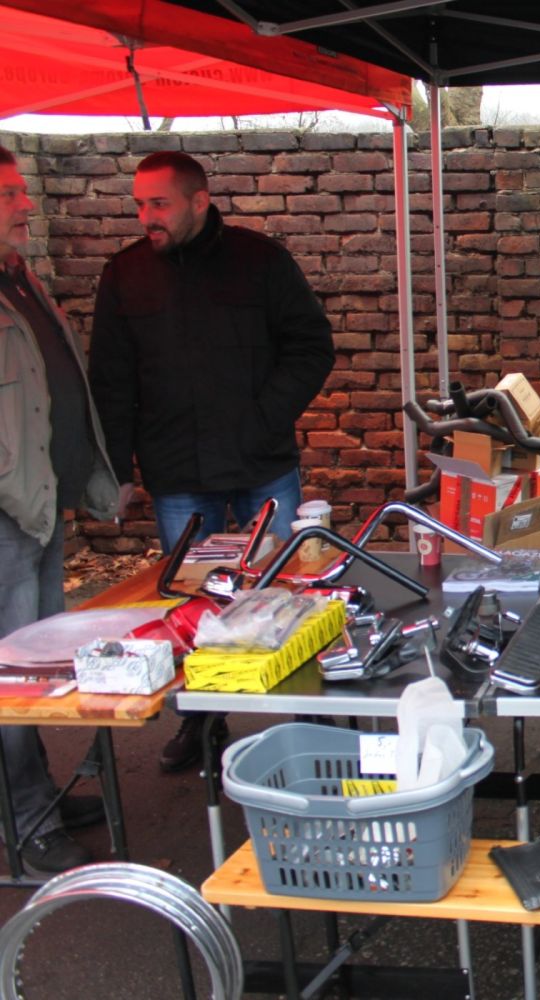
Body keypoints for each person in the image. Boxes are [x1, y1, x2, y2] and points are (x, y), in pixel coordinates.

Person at [89, 150, 334, 772]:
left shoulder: (261, 261)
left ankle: (309, 715)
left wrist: (264, 416)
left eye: (159, 203)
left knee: (284, 588)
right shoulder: (124, 273)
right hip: (176, 471)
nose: (147, 216)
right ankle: (201, 719)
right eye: (139, 204)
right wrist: (118, 468)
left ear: (199, 201)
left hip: (261, 461)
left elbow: (311, 346)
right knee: (190, 600)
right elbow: (110, 379)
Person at [0, 144, 120, 873]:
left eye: (22, 190)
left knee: (35, 664)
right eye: (9, 194)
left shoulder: (20, 278)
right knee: (11, 675)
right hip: (8, 514)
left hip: (35, 507)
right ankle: (25, 821)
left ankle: (35, 792)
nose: (26, 204)